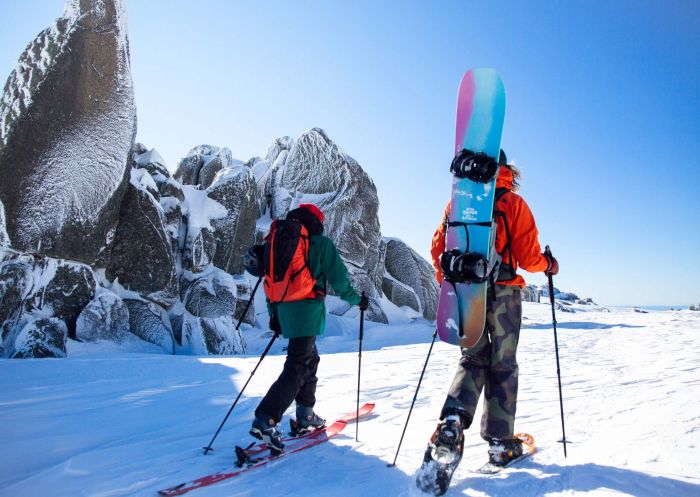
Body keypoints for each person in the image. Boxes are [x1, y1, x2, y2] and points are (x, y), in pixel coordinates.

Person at [429, 150, 559, 466]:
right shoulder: (513, 203)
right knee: (503, 364)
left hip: (466, 291)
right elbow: (528, 258)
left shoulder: (458, 204)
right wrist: (548, 265)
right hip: (504, 295)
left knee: (473, 358)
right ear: (506, 170)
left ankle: (453, 422)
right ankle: (501, 442)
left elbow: (437, 250)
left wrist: (455, 285)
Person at [250, 203, 369, 451]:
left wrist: (275, 314)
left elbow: (272, 280)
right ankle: (267, 418)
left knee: (309, 360)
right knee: (298, 365)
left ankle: (305, 414)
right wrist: (358, 301)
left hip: (284, 309)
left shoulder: (280, 243)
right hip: (307, 311)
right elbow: (340, 281)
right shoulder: (320, 244)